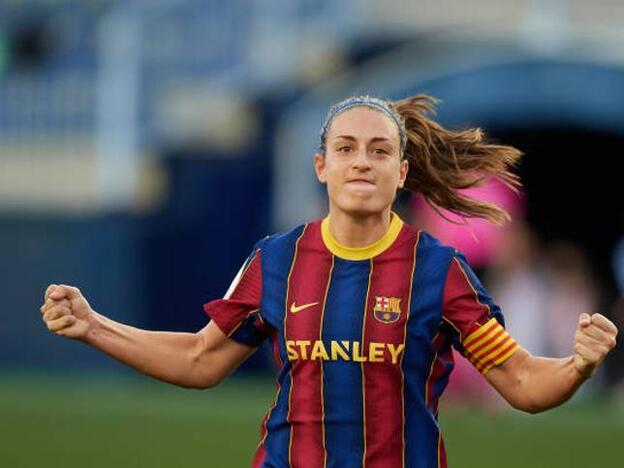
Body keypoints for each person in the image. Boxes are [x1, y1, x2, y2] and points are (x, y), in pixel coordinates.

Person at [40, 95, 618, 468]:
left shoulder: (440, 272)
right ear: (322, 166)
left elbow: (520, 381)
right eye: (345, 149)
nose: (361, 162)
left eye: (378, 150)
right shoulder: (275, 259)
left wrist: (577, 366)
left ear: (402, 171)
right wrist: (94, 326)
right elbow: (199, 359)